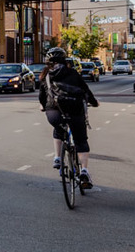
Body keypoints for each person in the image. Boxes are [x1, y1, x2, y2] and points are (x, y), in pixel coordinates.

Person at [39, 47, 99, 188]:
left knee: (58, 128)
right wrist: (94, 102)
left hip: (54, 111)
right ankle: (84, 171)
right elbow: (85, 90)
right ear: (64, 59)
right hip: (74, 109)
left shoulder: (46, 75)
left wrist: (43, 106)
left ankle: (57, 158)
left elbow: (42, 96)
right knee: (81, 140)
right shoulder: (72, 73)